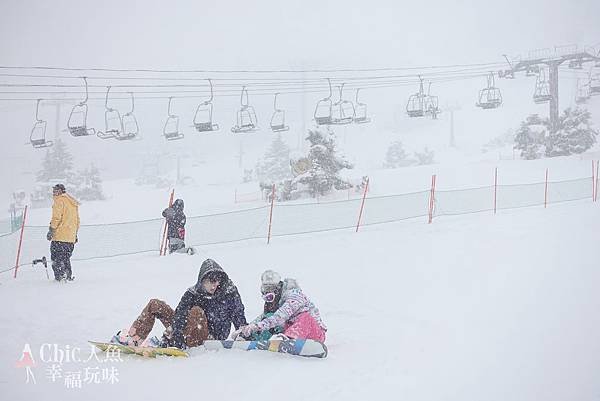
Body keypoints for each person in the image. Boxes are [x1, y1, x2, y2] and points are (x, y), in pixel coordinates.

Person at [113, 259, 247, 349]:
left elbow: (238, 314)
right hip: (184, 332)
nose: (215, 284)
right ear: (202, 280)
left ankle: (169, 342)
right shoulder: (193, 293)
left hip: (209, 338)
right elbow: (180, 313)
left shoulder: (229, 292)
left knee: (196, 312)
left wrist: (243, 333)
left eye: (218, 281)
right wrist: (176, 332)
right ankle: (134, 338)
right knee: (155, 304)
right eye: (211, 280)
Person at [235, 270, 327, 343]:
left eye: (270, 288)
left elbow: (281, 316)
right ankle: (250, 339)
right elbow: (264, 317)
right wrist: (248, 328)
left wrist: (257, 326)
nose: (268, 292)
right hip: (289, 330)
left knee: (305, 317)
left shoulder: (295, 296)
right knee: (270, 317)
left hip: (315, 334)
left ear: (278, 287)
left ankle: (290, 339)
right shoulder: (277, 301)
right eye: (266, 289)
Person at [46, 183, 80, 282]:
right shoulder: (72, 202)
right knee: (65, 258)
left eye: (56, 190)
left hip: (60, 236)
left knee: (56, 258)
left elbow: (56, 218)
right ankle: (67, 276)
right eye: (53, 191)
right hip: (70, 238)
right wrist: (74, 234)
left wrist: (51, 230)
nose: (54, 193)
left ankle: (60, 278)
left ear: (61, 191)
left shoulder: (59, 201)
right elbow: (77, 221)